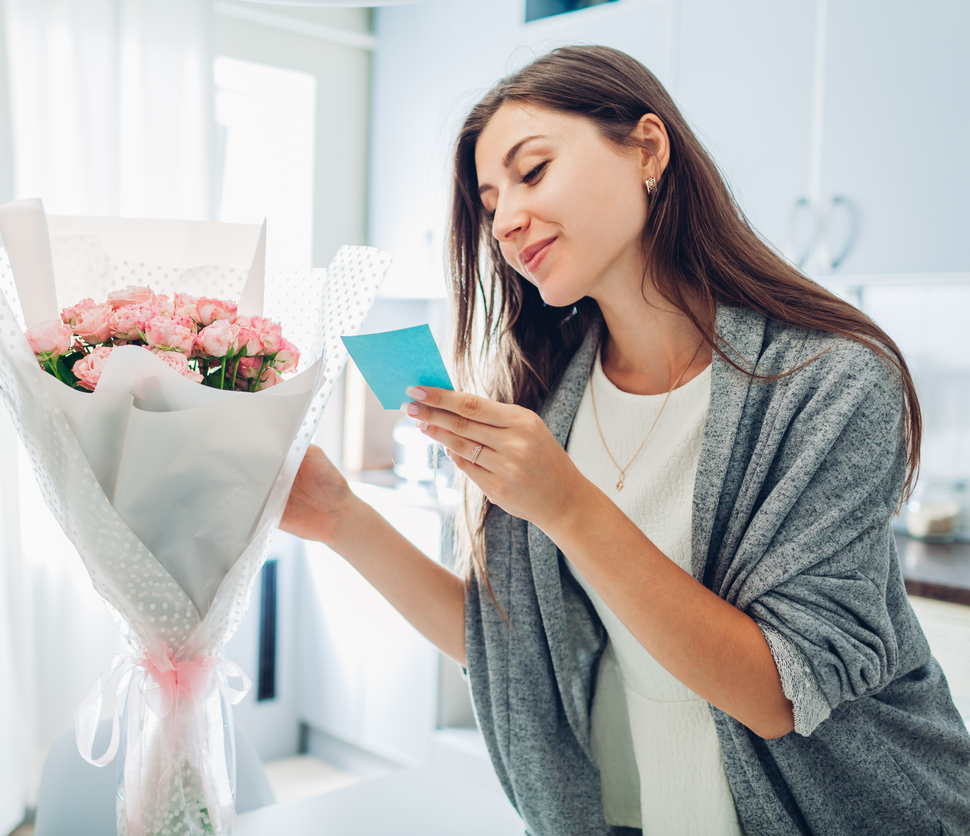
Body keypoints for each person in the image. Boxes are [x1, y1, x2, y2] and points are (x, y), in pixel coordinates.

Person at [279, 45, 970, 836]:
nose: (503, 221)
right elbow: (513, 657)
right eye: (490, 199)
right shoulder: (548, 395)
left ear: (647, 149)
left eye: (532, 171)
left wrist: (569, 505)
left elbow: (781, 695)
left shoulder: (831, 384)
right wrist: (336, 515)